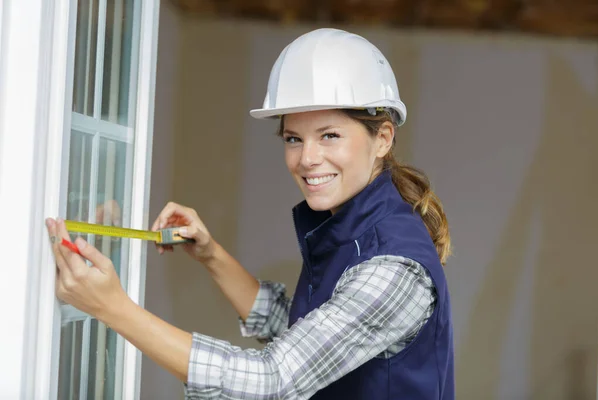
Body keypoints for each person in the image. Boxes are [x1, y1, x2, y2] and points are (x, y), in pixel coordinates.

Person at [46, 28, 454, 399]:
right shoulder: (355, 227)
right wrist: (211, 255)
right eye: (294, 139)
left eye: (329, 135)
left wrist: (113, 308)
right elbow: (304, 332)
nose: (307, 158)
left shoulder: (393, 266)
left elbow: (273, 380)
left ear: (382, 138)